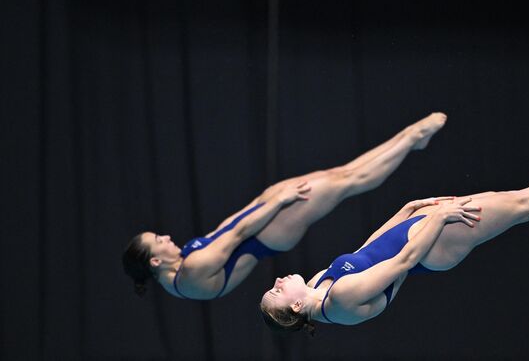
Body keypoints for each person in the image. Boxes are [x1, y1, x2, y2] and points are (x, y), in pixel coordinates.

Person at [260, 138, 529, 332]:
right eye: (277, 290)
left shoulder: (316, 285)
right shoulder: (337, 302)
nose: (278, 280)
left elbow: (368, 249)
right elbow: (402, 262)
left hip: (420, 230)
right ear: (295, 309)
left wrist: (408, 208)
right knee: (524, 206)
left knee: (513, 198)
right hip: (431, 247)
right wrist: (439, 219)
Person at [122, 112, 448, 299]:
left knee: (341, 174)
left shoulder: (181, 265)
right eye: (159, 241)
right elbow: (237, 235)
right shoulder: (190, 274)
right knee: (349, 181)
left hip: (262, 216)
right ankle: (410, 139)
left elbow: (225, 227)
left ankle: (410, 140)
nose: (166, 237)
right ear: (154, 260)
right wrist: (277, 201)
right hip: (270, 231)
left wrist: (263, 199)